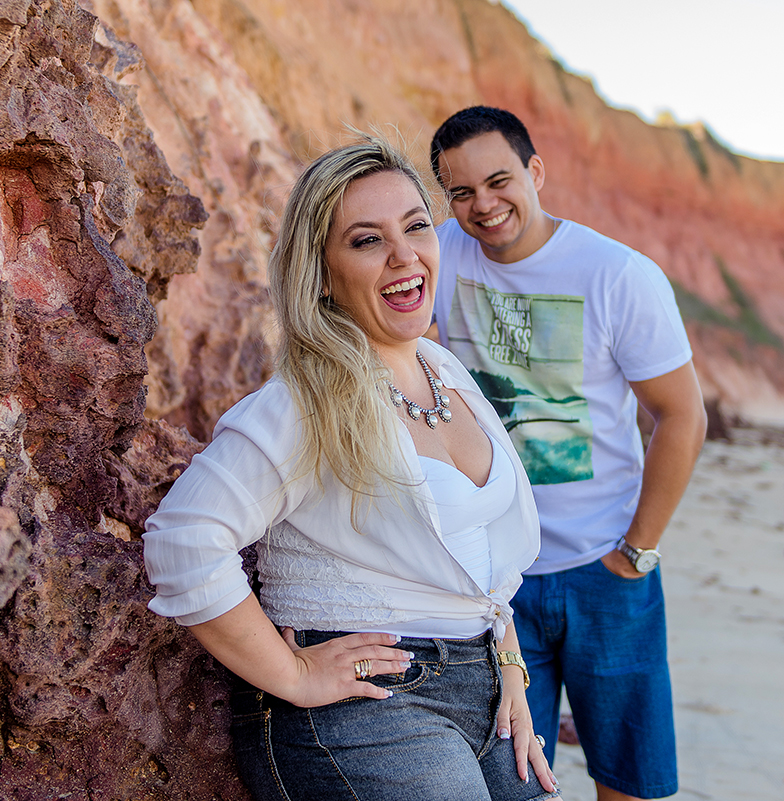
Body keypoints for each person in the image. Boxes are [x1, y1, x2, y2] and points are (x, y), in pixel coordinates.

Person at [142, 136, 560, 801]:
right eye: (367, 240)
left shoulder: (445, 372)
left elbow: (485, 551)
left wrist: (508, 661)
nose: (403, 254)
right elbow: (183, 539)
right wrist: (294, 673)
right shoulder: (306, 400)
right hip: (366, 707)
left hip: (485, 692)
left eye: (416, 226)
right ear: (322, 270)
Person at [428, 106, 707, 801]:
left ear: (535, 172)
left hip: (605, 570)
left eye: (499, 181)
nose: (483, 206)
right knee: (515, 781)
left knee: (629, 778)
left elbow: (681, 416)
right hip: (495, 581)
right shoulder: (436, 255)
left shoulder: (618, 274)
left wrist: (635, 554)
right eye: (461, 192)